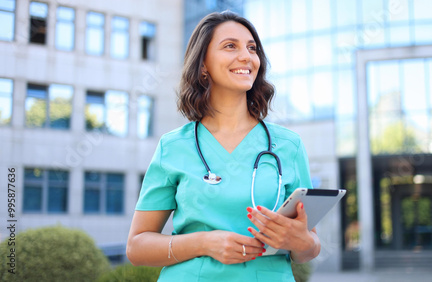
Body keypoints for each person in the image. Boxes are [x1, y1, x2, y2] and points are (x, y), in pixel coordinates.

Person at [126, 11, 321, 281]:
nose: (246, 56)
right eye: (231, 46)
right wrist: (204, 243)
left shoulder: (288, 145)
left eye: (252, 48)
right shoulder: (173, 146)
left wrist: (302, 242)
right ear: (203, 64)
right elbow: (137, 247)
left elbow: (309, 247)